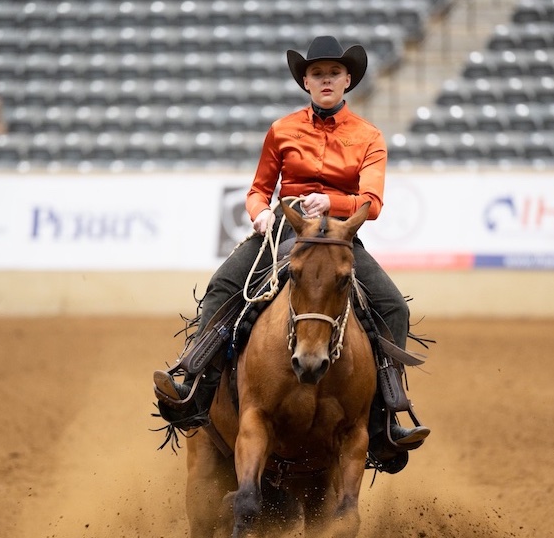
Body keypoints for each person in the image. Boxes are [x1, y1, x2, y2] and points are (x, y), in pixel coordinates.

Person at [153, 35, 430, 453]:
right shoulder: (282, 130)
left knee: (393, 306)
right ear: (305, 81)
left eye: (334, 73)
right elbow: (258, 189)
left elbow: (371, 204)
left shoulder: (369, 137)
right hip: (284, 226)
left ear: (348, 80)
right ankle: (194, 385)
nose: (325, 80)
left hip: (339, 234)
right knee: (223, 287)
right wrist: (260, 212)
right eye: (317, 73)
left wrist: (333, 202)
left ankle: (385, 417)